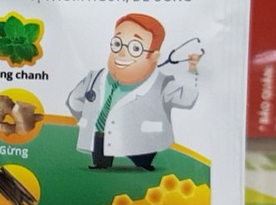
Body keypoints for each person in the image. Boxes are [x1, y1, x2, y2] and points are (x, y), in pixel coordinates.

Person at [66, 12, 201, 171]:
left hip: (143, 139)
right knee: (100, 163)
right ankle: (101, 163)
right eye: (117, 44)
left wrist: (192, 68)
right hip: (100, 135)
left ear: (153, 56)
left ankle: (143, 163)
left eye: (135, 48)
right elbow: (74, 100)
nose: (122, 53)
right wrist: (87, 119)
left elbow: (187, 98)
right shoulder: (95, 78)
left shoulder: (162, 84)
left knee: (143, 159)